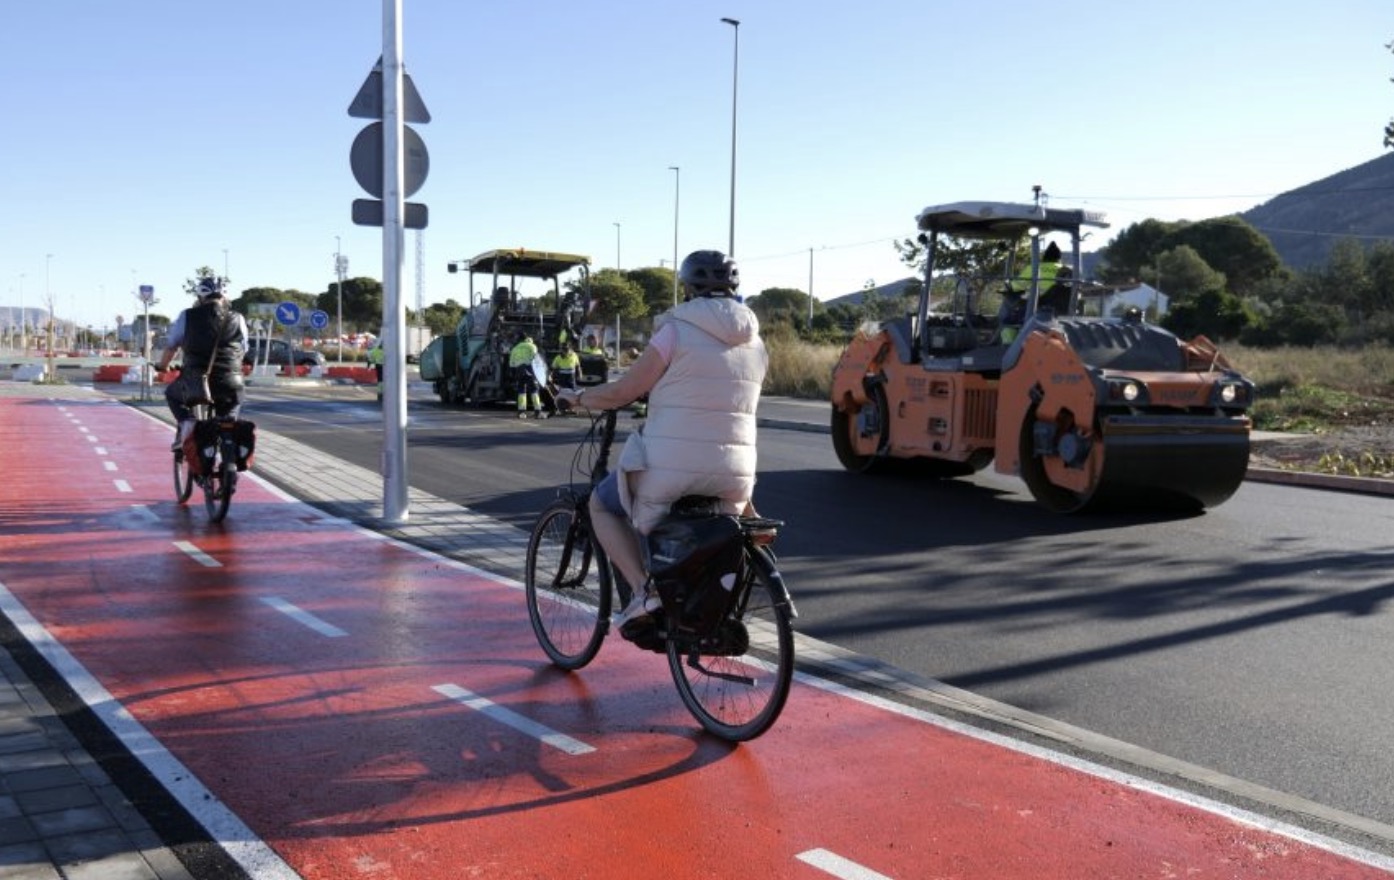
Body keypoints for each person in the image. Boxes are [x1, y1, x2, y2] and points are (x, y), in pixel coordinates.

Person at [555, 250, 767, 637]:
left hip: (672, 468)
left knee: (601, 504)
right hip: (735, 474)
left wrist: (579, 398)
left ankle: (643, 592)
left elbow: (624, 391)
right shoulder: (756, 342)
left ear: (687, 287)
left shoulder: (675, 330)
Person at [157, 277, 249, 449]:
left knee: (172, 394)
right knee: (233, 405)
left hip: (196, 381)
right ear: (224, 297)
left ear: (200, 297)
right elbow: (244, 348)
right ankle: (229, 433)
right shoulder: (238, 318)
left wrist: (162, 367)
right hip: (231, 381)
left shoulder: (187, 316)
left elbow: (171, 347)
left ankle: (187, 422)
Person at [508, 333, 546, 419]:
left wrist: (513, 374)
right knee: (534, 391)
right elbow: (537, 360)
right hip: (530, 370)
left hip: (519, 371)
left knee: (521, 391)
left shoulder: (515, 348)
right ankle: (538, 412)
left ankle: (521, 412)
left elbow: (511, 364)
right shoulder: (532, 346)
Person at [367, 336, 385, 401]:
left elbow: (370, 359)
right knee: (385, 380)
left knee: (380, 380)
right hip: (385, 367)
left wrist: (369, 367)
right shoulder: (386, 351)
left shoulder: (375, 351)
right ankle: (384, 392)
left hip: (378, 367)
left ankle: (380, 393)